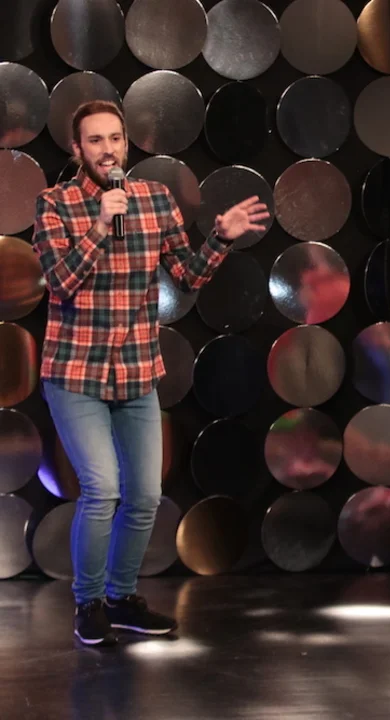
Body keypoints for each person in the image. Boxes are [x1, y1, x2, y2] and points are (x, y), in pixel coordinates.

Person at [31, 100, 269, 646]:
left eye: (115, 138)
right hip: (75, 372)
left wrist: (222, 237)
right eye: (95, 140)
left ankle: (121, 598)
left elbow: (186, 276)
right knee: (101, 489)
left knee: (144, 494)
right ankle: (88, 604)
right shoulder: (55, 204)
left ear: (126, 143)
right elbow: (60, 283)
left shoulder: (154, 199)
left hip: (136, 371)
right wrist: (99, 225)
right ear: (77, 149)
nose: (108, 150)